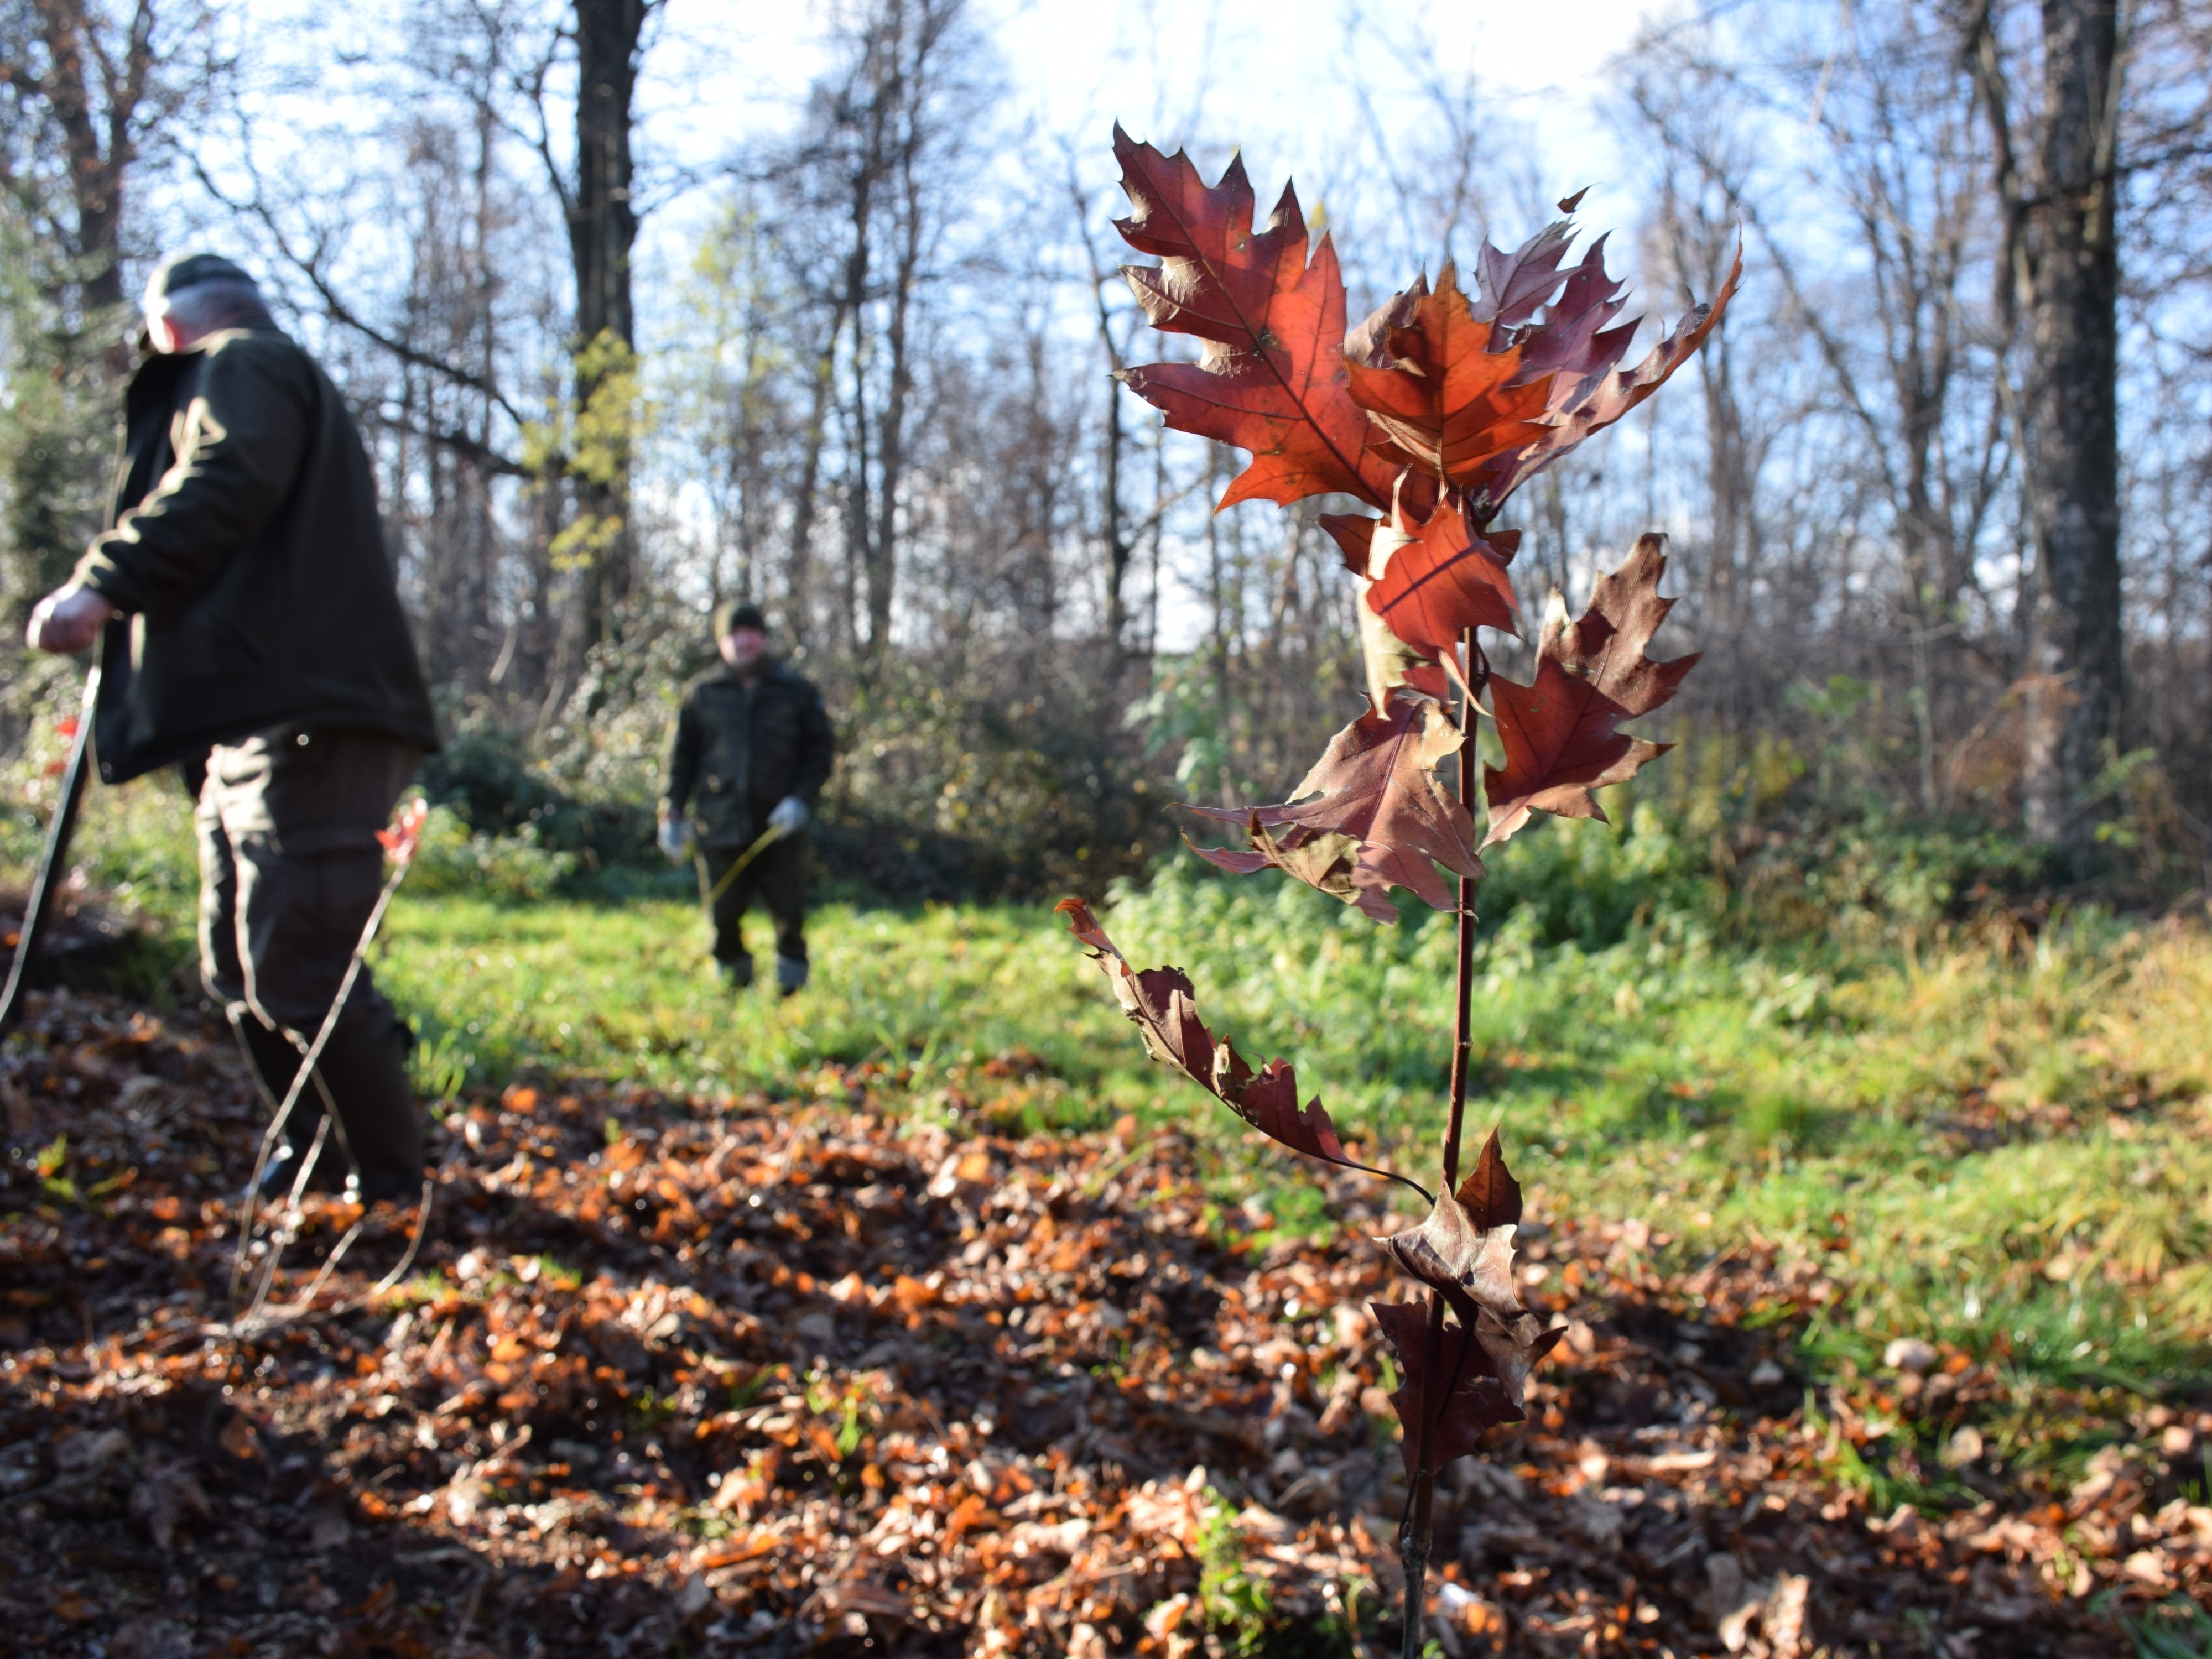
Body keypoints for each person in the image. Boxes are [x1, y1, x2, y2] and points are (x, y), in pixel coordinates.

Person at [25, 253, 440, 1204]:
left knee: (298, 964)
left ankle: (390, 1198)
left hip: (309, 722)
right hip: (253, 724)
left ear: (171, 321)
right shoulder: (263, 376)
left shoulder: (245, 364)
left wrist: (101, 585)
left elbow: (225, 475)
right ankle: (320, 1164)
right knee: (238, 967)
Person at [659, 602, 833, 996]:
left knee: (788, 912)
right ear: (722, 642)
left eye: (750, 633)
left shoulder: (796, 692)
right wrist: (670, 811)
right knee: (723, 914)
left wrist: (800, 800)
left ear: (763, 638)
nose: (743, 642)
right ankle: (734, 986)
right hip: (718, 824)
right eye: (733, 635)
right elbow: (679, 759)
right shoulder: (702, 694)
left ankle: (793, 990)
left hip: (779, 826)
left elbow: (819, 755)